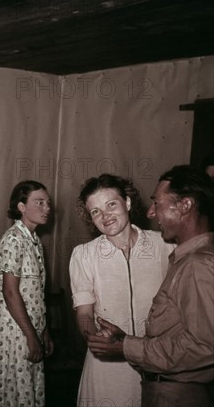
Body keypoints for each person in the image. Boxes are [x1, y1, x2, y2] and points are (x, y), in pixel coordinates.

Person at [87, 165, 214, 407]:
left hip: (178, 395)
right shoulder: (185, 259)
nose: (151, 212)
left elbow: (205, 345)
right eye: (95, 211)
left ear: (185, 205)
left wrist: (126, 346)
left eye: (158, 203)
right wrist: (124, 339)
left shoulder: (197, 264)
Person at [69, 174, 173, 407]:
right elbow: (84, 314)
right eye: (95, 211)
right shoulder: (83, 255)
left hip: (156, 361)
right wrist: (95, 340)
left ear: (127, 202)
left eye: (111, 204)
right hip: (107, 368)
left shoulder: (164, 245)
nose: (105, 216)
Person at [0, 180, 54, 407]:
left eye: (47, 203)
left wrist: (43, 331)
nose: (47, 208)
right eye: (39, 202)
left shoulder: (34, 241)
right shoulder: (13, 240)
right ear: (21, 207)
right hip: (13, 330)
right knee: (12, 393)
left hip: (30, 327)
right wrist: (31, 335)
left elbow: (37, 294)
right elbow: (10, 293)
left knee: (26, 391)